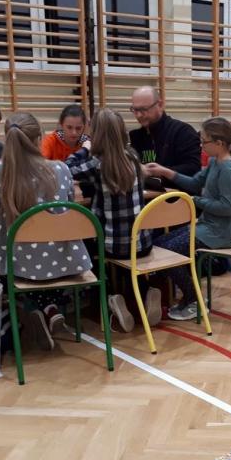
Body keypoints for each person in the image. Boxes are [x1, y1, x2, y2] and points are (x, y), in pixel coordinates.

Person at [0, 112, 93, 350]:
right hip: (66, 259)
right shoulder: (60, 168)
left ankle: (34, 310)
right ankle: (49, 308)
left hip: (20, 264)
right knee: (43, 263)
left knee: (21, 265)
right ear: (39, 138)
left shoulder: (2, 171)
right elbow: (70, 201)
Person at [144, 117, 231, 321]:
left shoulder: (228, 169)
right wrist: (164, 171)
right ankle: (188, 294)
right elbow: (194, 183)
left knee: (168, 253)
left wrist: (194, 200)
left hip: (223, 232)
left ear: (219, 143)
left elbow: (226, 208)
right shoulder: (215, 162)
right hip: (210, 226)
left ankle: (193, 299)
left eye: (204, 141)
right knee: (160, 244)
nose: (201, 145)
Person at [64, 108, 153, 332]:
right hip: (142, 243)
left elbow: (66, 168)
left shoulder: (97, 164)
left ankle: (110, 295)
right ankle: (146, 291)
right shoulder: (133, 156)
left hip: (113, 246)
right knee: (126, 251)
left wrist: (85, 148)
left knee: (88, 246)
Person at [128, 86, 202, 189]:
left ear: (160, 105)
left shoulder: (183, 132)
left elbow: (193, 169)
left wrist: (158, 172)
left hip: (177, 196)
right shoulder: (136, 136)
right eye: (135, 110)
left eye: (144, 109)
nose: (139, 115)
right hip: (146, 195)